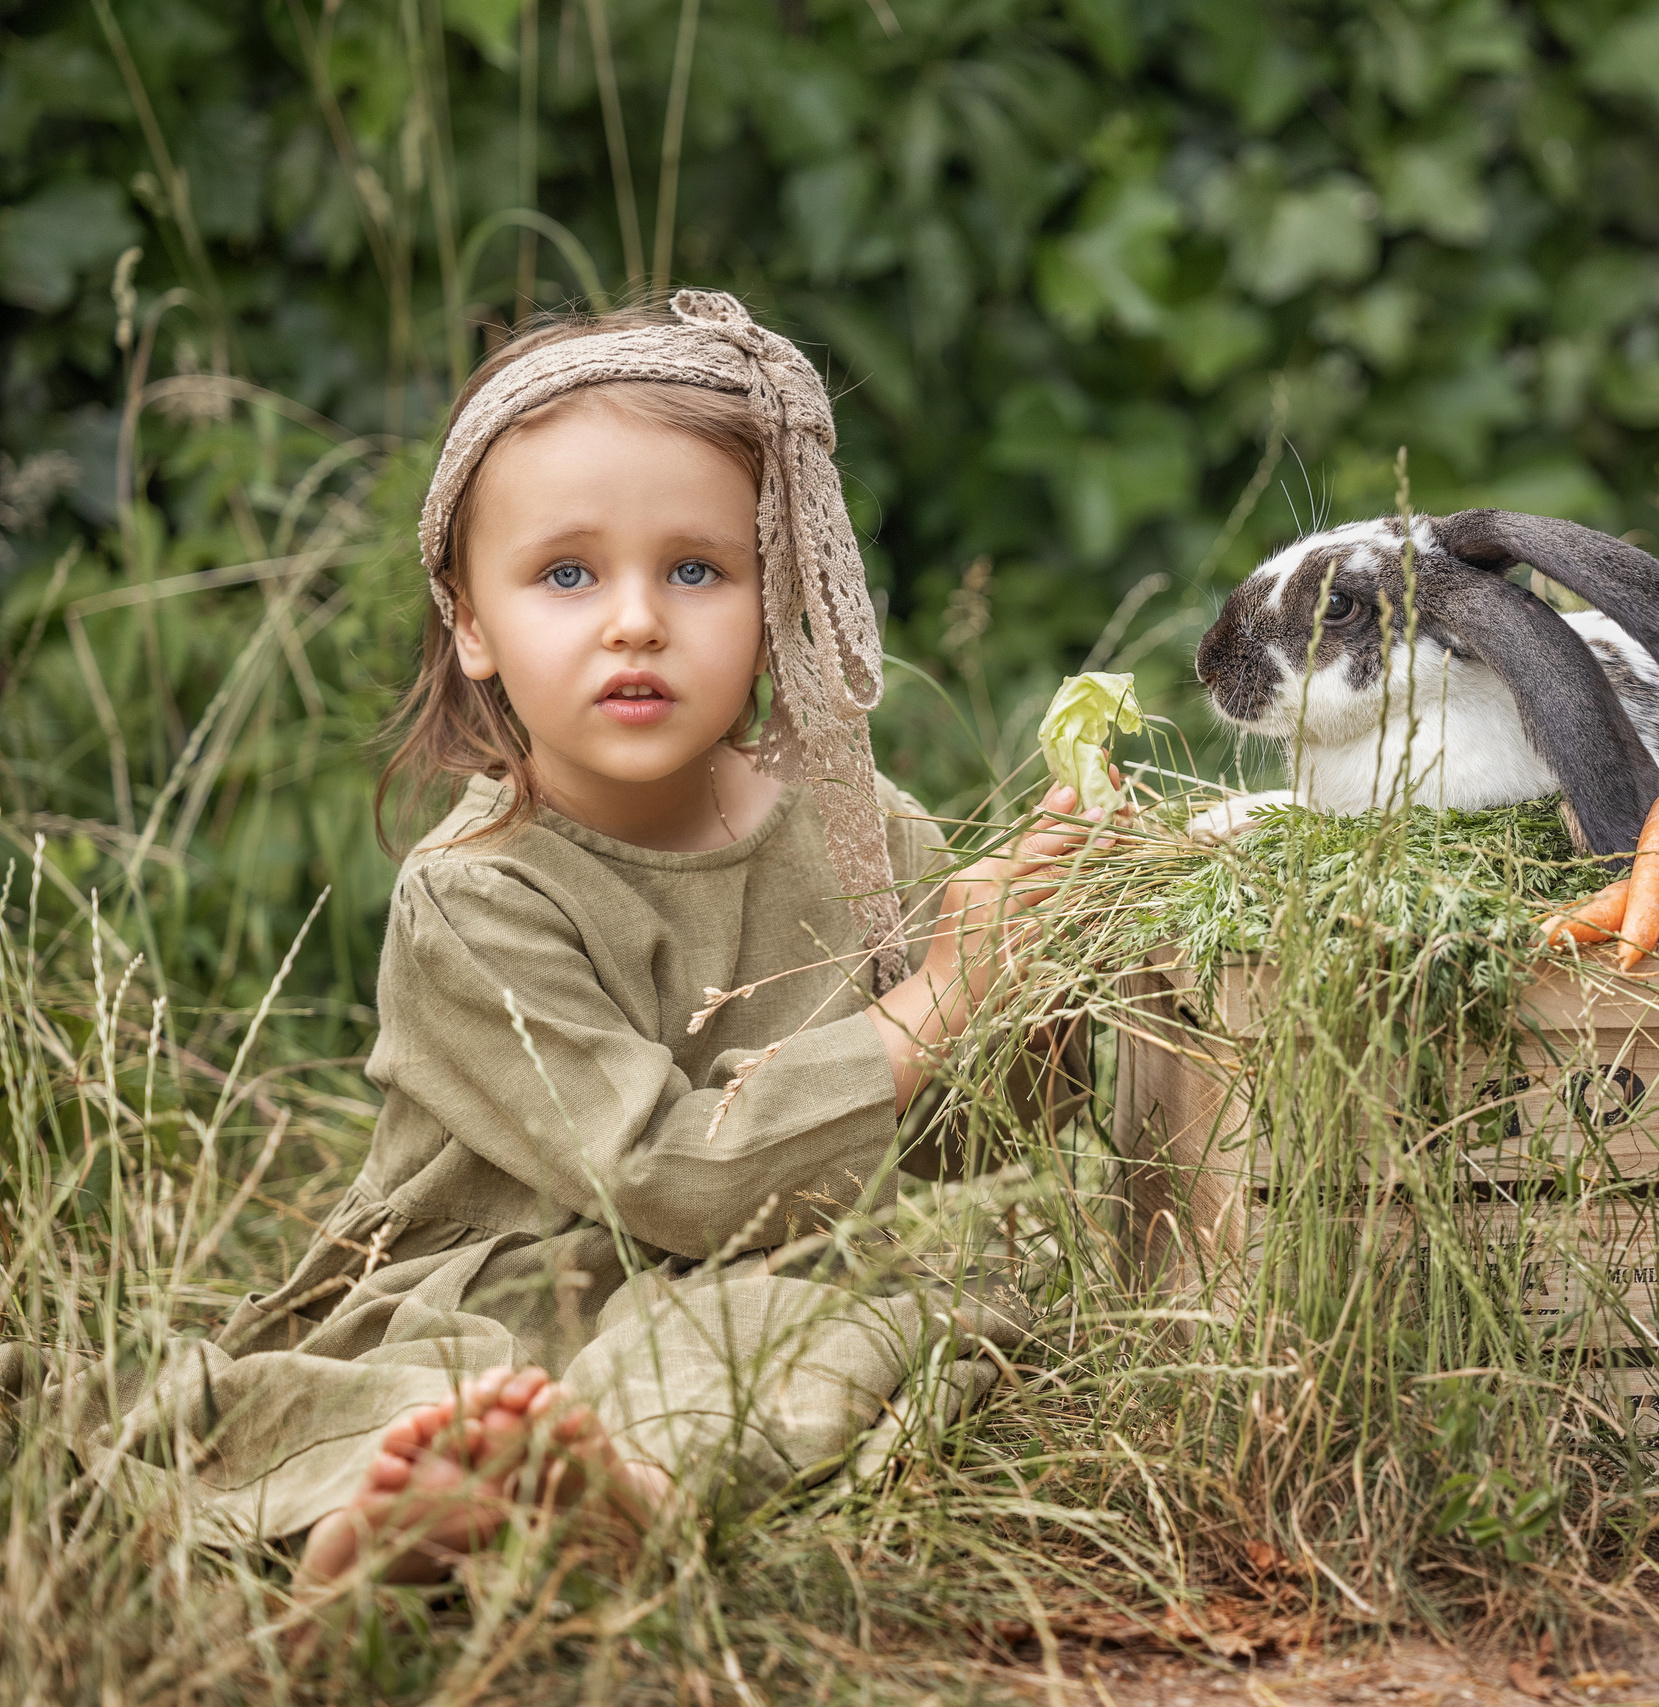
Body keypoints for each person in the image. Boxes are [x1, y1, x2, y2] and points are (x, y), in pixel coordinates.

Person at [85, 291, 1098, 1600]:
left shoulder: (864, 833)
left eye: (696, 570)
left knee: (819, 1321)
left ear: (776, 591)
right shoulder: (478, 892)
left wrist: (1051, 964)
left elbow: (962, 1133)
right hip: (519, 1287)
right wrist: (951, 994)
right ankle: (399, 1516)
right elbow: (660, 1181)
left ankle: (610, 1504)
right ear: (469, 621)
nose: (635, 621)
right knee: (410, 1397)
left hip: (767, 1274)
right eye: (568, 574)